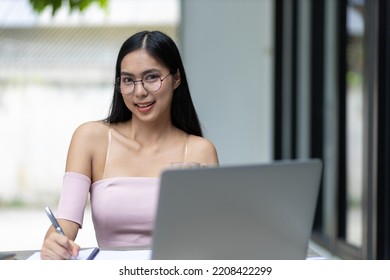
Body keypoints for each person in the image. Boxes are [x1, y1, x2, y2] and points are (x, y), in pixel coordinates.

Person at [40, 30, 219, 260]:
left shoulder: (200, 151)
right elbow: (65, 222)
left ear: (176, 79)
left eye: (152, 77)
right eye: (128, 80)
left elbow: (210, 236)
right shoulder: (91, 138)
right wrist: (54, 243)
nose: (140, 91)